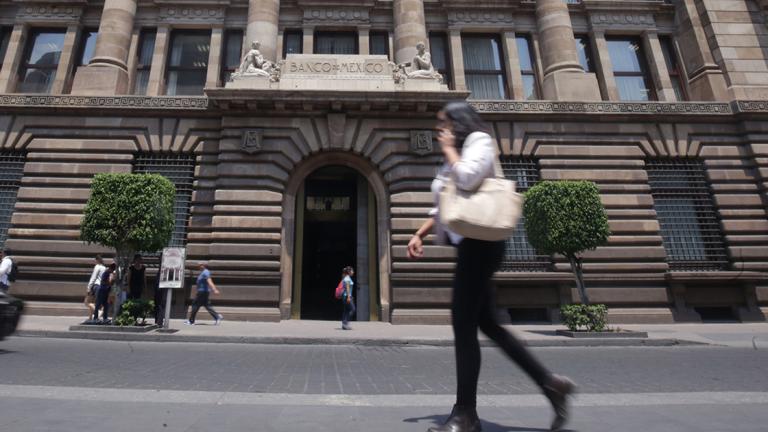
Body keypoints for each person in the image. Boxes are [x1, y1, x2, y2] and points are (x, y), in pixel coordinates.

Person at [407, 101, 576, 432]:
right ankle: (551, 384)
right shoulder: (456, 151)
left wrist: (448, 150)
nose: (439, 129)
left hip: (482, 246)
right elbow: (446, 202)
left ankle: (465, 415)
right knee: (488, 325)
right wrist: (420, 234)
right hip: (470, 246)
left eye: (443, 123)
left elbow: (468, 179)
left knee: (464, 324)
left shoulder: (479, 141)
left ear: (459, 122)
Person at [85, 255, 106, 319]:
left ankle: (97, 312)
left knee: (87, 302)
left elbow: (93, 277)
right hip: (102, 286)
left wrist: (89, 287)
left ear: (97, 260)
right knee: (95, 302)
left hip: (96, 286)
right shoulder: (104, 268)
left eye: (95, 260)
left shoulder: (97, 266)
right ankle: (90, 317)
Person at [340, 266, 356, 330]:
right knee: (353, 309)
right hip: (347, 296)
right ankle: (346, 323)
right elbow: (347, 288)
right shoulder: (347, 279)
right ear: (349, 272)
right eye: (352, 271)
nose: (353, 272)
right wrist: (349, 297)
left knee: (346, 310)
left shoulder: (346, 278)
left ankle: (344, 324)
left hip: (345, 296)